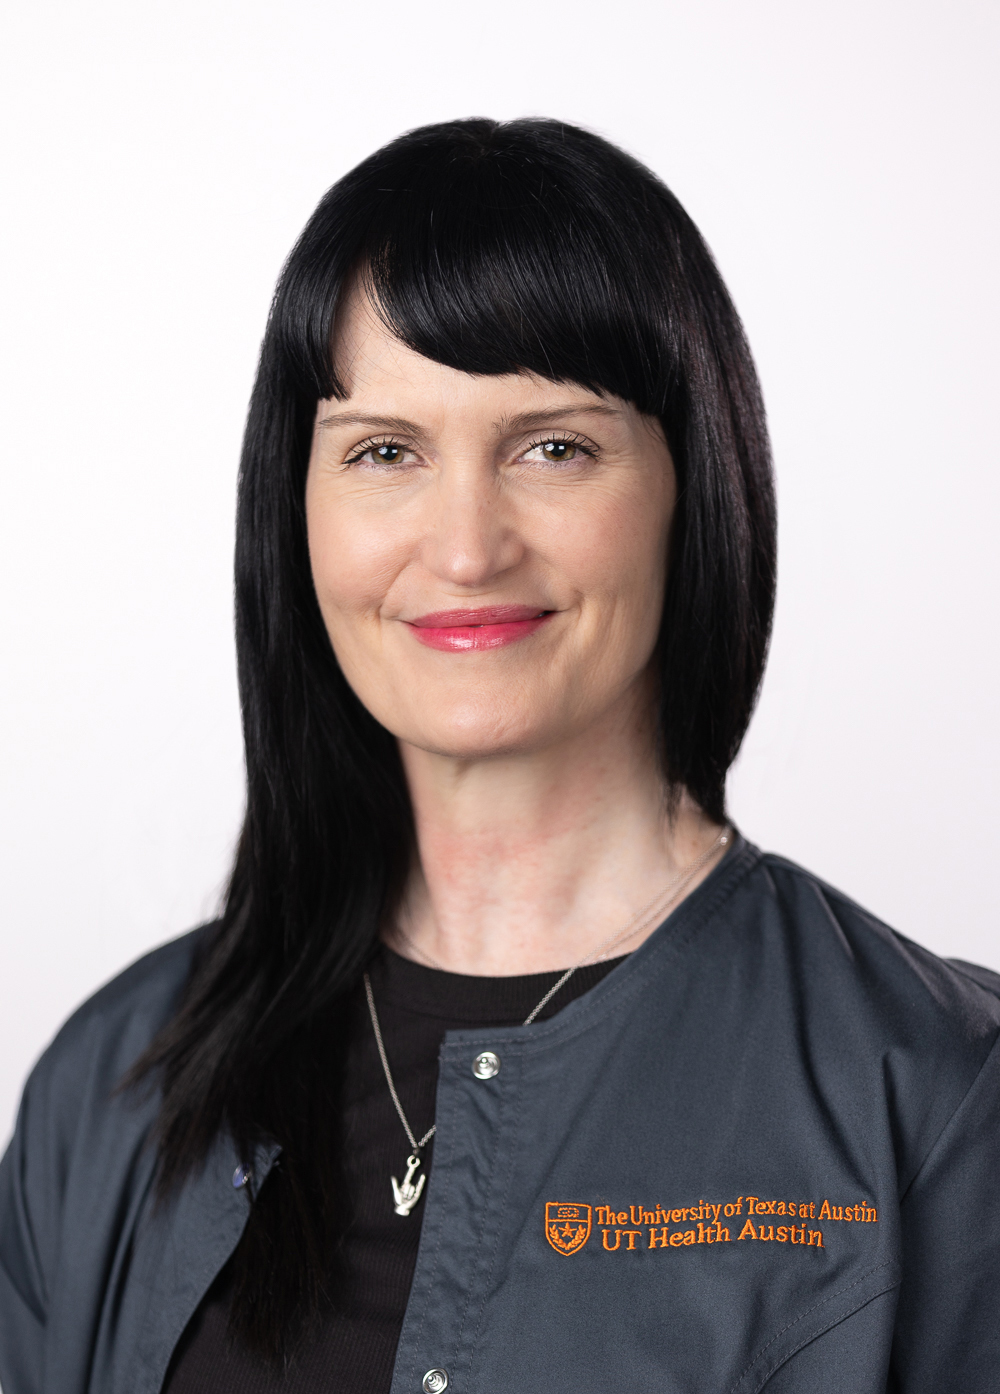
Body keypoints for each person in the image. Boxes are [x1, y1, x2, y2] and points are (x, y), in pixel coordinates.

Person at [1, 117, 998, 1394]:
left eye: (553, 446)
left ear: (693, 483)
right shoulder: (117, 1081)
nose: (467, 547)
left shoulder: (937, 1096)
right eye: (384, 451)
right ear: (292, 511)